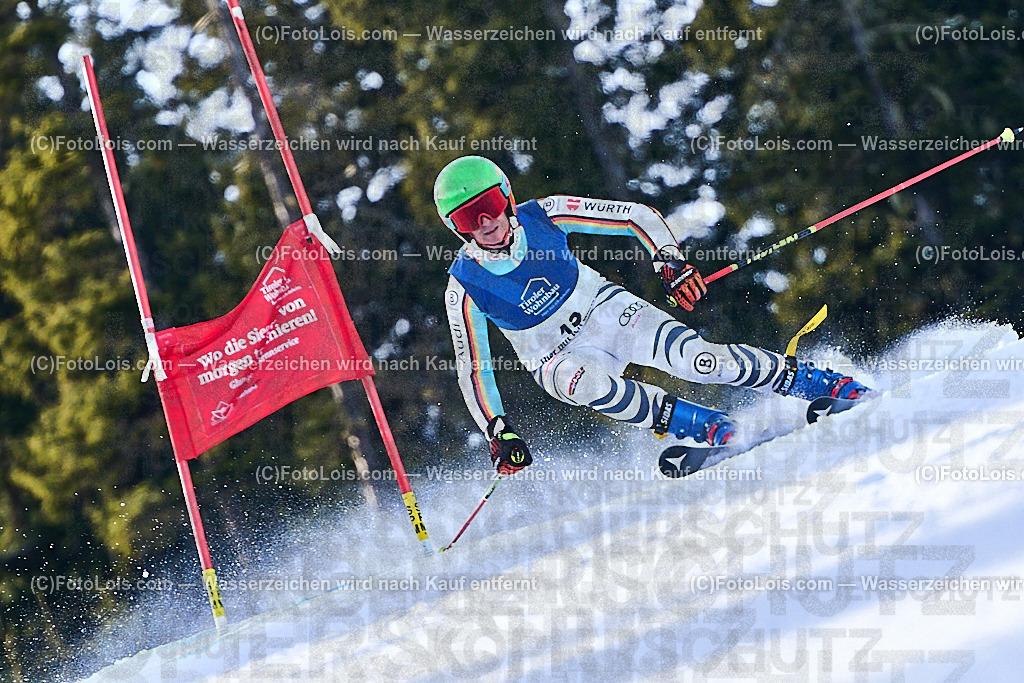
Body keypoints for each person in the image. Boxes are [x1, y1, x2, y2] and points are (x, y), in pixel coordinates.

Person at [434, 156, 870, 475]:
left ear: (507, 196)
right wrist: (498, 429)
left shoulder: (543, 215)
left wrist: (671, 263)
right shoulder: (465, 286)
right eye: (469, 218)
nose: (486, 222)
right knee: (586, 383)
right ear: (457, 229)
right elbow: (473, 369)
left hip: (605, 311)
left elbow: (634, 216)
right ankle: (709, 428)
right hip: (555, 358)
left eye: (489, 205)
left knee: (700, 362)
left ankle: (825, 383)